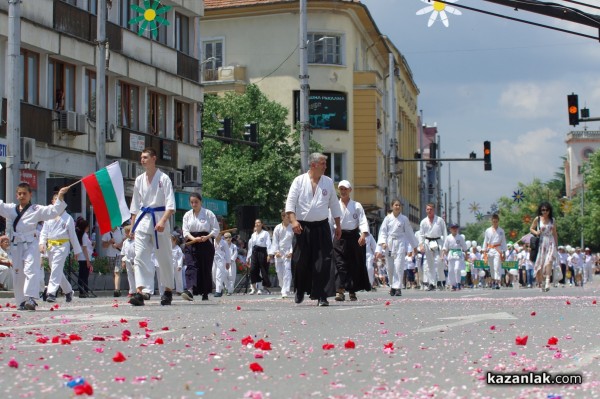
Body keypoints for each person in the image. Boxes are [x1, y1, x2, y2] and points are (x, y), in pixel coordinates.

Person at [0, 184, 71, 311]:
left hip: (31, 243)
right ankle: (21, 301)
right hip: (17, 244)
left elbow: (53, 211)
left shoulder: (36, 209)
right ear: (17, 195)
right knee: (18, 272)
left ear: (30, 195)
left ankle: (31, 299)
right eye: (20, 194)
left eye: (24, 194)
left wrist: (60, 195)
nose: (22, 196)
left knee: (31, 269)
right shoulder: (11, 209)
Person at [285, 152, 342, 306]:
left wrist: (338, 224)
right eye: (323, 163)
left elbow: (334, 204)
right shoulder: (299, 181)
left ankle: (322, 295)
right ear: (313, 165)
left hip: (322, 226)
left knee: (324, 261)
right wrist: (293, 221)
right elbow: (290, 204)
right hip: (302, 227)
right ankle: (300, 289)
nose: (325, 167)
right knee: (300, 260)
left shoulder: (328, 182)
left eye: (325, 163)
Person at [129, 147, 176, 306]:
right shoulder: (139, 179)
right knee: (140, 255)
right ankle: (141, 292)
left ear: (154, 158)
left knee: (164, 257)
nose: (142, 160)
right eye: (141, 157)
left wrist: (163, 221)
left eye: (145, 157)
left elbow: (170, 204)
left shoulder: (164, 179)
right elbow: (135, 205)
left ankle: (167, 290)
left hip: (159, 218)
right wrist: (132, 225)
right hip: (143, 220)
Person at [331, 180, 371, 301]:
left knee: (353, 265)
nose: (343, 191)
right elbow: (330, 222)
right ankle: (340, 290)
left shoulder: (356, 205)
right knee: (339, 264)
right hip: (339, 237)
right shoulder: (334, 206)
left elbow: (363, 220)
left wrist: (363, 235)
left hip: (353, 237)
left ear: (350, 190)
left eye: (345, 189)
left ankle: (352, 290)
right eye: (341, 189)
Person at [39, 193, 82, 303]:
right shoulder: (48, 217)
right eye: (55, 200)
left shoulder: (68, 218)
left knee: (56, 268)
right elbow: (44, 232)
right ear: (52, 202)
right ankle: (68, 291)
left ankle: (51, 293)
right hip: (51, 247)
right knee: (55, 270)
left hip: (62, 247)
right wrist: (42, 243)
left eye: (59, 200)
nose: (56, 202)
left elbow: (73, 235)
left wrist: (77, 251)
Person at [181, 193, 219, 301]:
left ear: (201, 202)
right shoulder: (187, 215)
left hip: (205, 242)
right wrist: (193, 239)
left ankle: (205, 292)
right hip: (191, 242)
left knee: (204, 267)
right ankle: (190, 290)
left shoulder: (208, 213)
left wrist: (207, 237)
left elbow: (216, 229)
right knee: (191, 265)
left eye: (196, 202)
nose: (194, 204)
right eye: (192, 202)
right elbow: (185, 231)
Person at [378, 199, 418, 296]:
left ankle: (398, 287)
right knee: (390, 267)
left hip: (400, 243)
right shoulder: (387, 219)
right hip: (389, 243)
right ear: (392, 206)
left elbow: (409, 233)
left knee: (399, 265)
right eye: (396, 205)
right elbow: (383, 231)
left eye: (399, 205)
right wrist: (383, 242)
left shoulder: (404, 219)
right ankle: (392, 286)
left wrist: (414, 246)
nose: (397, 207)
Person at [418, 203, 447, 291]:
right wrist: (421, 245)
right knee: (430, 264)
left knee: (439, 262)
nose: (429, 211)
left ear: (434, 210)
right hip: (427, 242)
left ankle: (440, 281)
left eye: (431, 209)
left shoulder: (440, 220)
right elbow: (421, 235)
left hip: (438, 242)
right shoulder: (423, 221)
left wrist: (445, 247)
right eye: (428, 209)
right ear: (426, 210)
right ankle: (432, 283)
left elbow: (445, 233)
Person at [529, 202, 558, 292]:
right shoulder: (537, 219)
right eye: (543, 210)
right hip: (541, 243)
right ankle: (541, 282)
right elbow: (531, 228)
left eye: (546, 210)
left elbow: (555, 233)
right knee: (541, 265)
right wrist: (536, 232)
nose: (544, 212)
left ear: (549, 211)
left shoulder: (552, 220)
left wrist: (556, 245)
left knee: (549, 261)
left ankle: (548, 281)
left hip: (550, 242)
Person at [270, 212, 294, 299]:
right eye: (287, 217)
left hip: (288, 251)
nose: (288, 218)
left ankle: (285, 291)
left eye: (289, 217)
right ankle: (282, 287)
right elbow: (275, 241)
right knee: (279, 272)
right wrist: (276, 251)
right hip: (279, 251)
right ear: (283, 217)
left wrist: (291, 252)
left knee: (287, 271)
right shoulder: (277, 228)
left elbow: (293, 241)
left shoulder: (292, 227)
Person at [246, 219, 272, 295]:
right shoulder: (253, 235)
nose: (257, 224)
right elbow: (251, 247)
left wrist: (269, 254)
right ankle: (254, 288)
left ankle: (260, 288)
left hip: (262, 252)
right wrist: (248, 257)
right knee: (253, 269)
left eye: (258, 223)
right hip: (254, 252)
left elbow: (268, 244)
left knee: (263, 270)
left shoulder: (265, 233)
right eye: (256, 223)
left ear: (261, 224)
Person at [483, 214, 507, 290]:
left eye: (496, 221)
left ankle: (497, 281)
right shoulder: (488, 230)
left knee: (497, 266)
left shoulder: (501, 231)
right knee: (492, 267)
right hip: (490, 249)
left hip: (498, 249)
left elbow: (503, 242)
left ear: (498, 221)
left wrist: (504, 252)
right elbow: (485, 241)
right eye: (494, 221)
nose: (495, 222)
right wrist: (484, 251)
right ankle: (493, 281)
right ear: (492, 221)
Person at [442, 223, 467, 291]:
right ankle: (453, 285)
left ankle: (458, 283)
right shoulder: (448, 237)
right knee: (451, 271)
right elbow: (445, 247)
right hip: (451, 254)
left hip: (458, 254)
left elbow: (464, 247)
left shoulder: (460, 237)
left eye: (456, 228)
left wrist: (466, 254)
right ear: (450, 229)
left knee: (457, 269)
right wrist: (442, 255)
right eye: (453, 228)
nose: (454, 229)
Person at [101, 225, 125, 297]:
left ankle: (117, 290)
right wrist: (109, 242)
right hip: (110, 255)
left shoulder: (121, 230)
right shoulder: (106, 232)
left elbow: (125, 241)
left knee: (117, 271)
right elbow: (103, 245)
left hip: (119, 254)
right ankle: (116, 287)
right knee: (113, 273)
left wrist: (119, 245)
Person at [75, 218, 94, 298]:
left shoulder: (80, 235)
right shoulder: (84, 236)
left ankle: (81, 291)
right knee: (85, 276)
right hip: (85, 257)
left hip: (81, 257)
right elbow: (84, 248)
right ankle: (85, 291)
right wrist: (87, 260)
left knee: (81, 275)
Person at [212, 233, 231, 297]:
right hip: (213, 260)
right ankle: (221, 288)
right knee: (214, 275)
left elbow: (227, 253)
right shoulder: (212, 241)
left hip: (221, 260)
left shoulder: (224, 243)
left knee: (218, 275)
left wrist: (228, 262)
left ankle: (218, 291)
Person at [120, 225, 136, 298]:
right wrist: (123, 261)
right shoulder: (125, 242)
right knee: (130, 276)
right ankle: (132, 291)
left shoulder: (136, 241)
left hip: (135, 261)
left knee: (137, 276)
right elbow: (123, 253)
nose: (126, 234)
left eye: (127, 233)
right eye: (125, 233)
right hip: (128, 260)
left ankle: (138, 290)